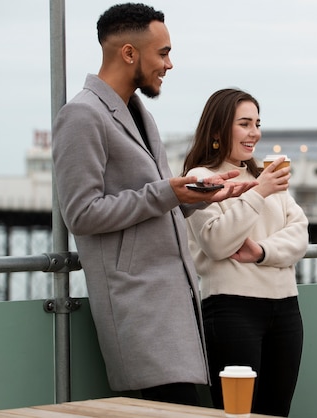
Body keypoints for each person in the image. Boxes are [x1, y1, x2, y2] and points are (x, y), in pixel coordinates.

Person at [51, 3, 256, 406]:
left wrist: (197, 198)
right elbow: (81, 213)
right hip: (138, 302)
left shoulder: (138, 112)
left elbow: (154, 201)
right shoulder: (82, 115)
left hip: (175, 297)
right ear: (129, 53)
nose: (170, 64)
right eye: (162, 53)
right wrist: (169, 193)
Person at [181, 88, 309, 417]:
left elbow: (299, 234)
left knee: (277, 411)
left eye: (257, 123)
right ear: (217, 130)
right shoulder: (200, 179)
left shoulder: (263, 177)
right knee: (237, 413)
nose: (255, 133)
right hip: (230, 310)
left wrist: (262, 251)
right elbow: (216, 241)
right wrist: (260, 193)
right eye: (245, 124)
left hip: (286, 310)